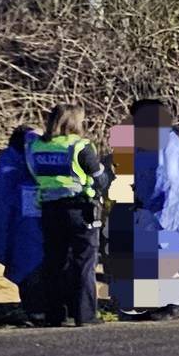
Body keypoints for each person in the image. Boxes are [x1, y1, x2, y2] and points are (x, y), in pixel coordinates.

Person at [108, 99, 179, 320]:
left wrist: (163, 215)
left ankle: (174, 304)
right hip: (149, 207)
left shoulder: (167, 143)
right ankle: (152, 304)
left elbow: (171, 182)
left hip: (168, 209)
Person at [26, 106, 110, 326]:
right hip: (80, 210)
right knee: (84, 262)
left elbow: (35, 174)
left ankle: (55, 314)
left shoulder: (36, 147)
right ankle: (85, 314)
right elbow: (100, 179)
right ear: (75, 122)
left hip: (49, 210)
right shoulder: (79, 146)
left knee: (55, 262)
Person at [0, 125, 46, 318]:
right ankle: (38, 310)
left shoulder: (10, 165)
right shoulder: (25, 171)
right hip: (30, 238)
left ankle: (36, 310)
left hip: (21, 236)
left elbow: (2, 208)